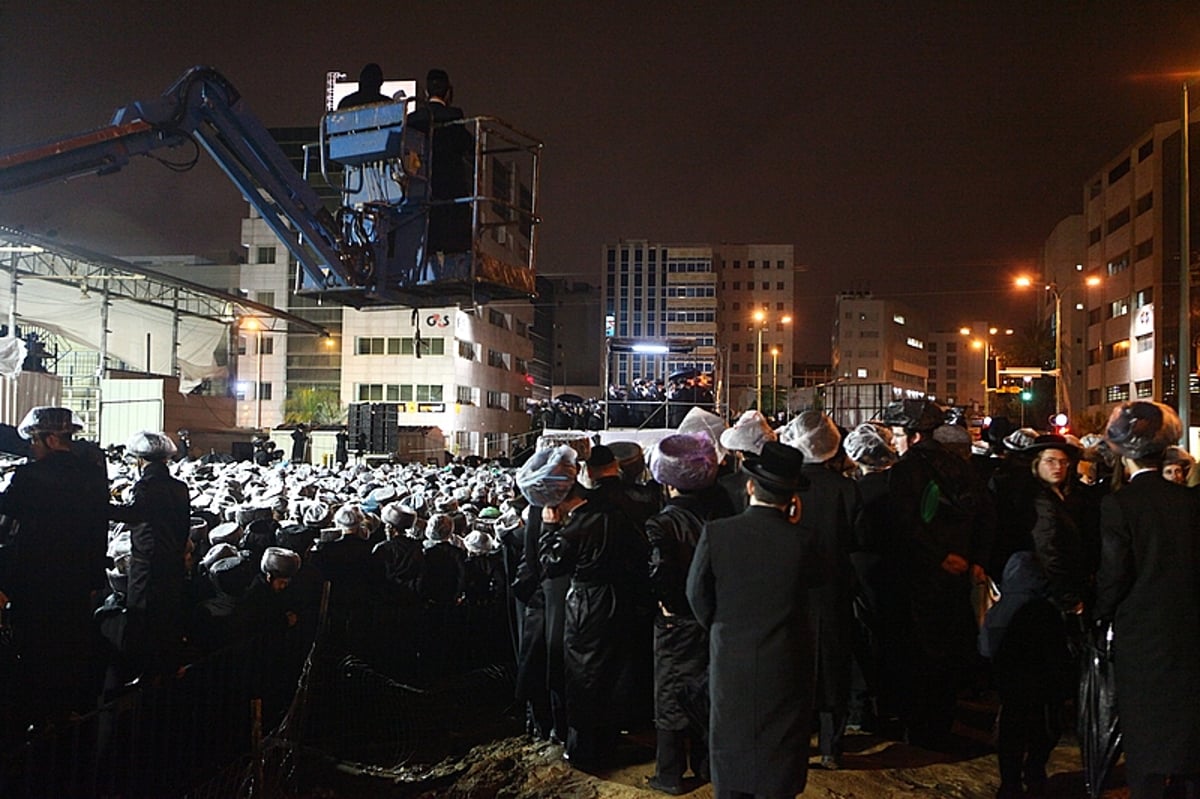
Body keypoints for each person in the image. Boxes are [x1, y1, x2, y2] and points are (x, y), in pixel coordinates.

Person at [686, 441, 823, 799]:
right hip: (787, 659)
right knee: (782, 743)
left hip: (731, 656)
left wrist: (719, 626)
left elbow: (696, 595)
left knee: (730, 735)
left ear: (750, 487)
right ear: (793, 497)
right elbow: (815, 596)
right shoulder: (805, 541)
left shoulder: (718, 533)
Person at [1095, 401, 1200, 799]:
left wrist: (1099, 613)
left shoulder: (1121, 504)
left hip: (1141, 632)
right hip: (1189, 626)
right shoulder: (1191, 502)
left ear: (1122, 451)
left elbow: (1115, 572)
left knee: (1146, 726)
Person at [540, 444, 653, 770]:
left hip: (588, 605)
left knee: (584, 675)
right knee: (613, 673)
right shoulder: (623, 513)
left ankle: (585, 751)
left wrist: (549, 529)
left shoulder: (579, 525)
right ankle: (610, 740)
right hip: (621, 600)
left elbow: (551, 564)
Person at [0, 407, 109, 736]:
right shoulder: (91, 476)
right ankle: (68, 713)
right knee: (70, 646)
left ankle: (39, 719)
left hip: (35, 582)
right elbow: (98, 529)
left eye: (34, 440)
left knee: (35, 649)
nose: (31, 447)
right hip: (76, 581)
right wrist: (93, 578)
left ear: (49, 439)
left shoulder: (30, 477)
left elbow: (7, 511)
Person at [644, 432, 729, 794]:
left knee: (671, 695)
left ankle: (670, 774)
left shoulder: (663, 523)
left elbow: (660, 575)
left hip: (676, 620)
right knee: (707, 692)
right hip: (716, 615)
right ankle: (709, 766)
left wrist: (666, 606)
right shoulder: (726, 509)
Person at [780, 410, 861, 770]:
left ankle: (795, 743)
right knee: (834, 666)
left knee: (792, 669)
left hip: (791, 590)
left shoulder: (786, 488)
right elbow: (858, 541)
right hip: (834, 589)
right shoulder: (846, 489)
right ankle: (832, 745)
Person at [979, 551, 1073, 799]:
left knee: (1011, 735)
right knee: (1043, 733)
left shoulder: (998, 611)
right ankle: (1034, 773)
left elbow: (984, 648)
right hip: (1043, 690)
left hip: (1010, 689)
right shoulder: (1047, 610)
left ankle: (1009, 783)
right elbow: (1058, 653)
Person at [109, 431, 192, 679]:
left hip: (146, 567)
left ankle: (140, 673)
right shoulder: (180, 488)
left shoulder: (144, 487)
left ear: (140, 460)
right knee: (167, 619)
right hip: (172, 564)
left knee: (141, 619)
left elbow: (132, 515)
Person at [406, 68, 475, 253]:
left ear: (426, 92)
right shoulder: (454, 115)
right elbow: (467, 144)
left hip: (419, 193)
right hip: (450, 193)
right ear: (448, 92)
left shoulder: (413, 119)